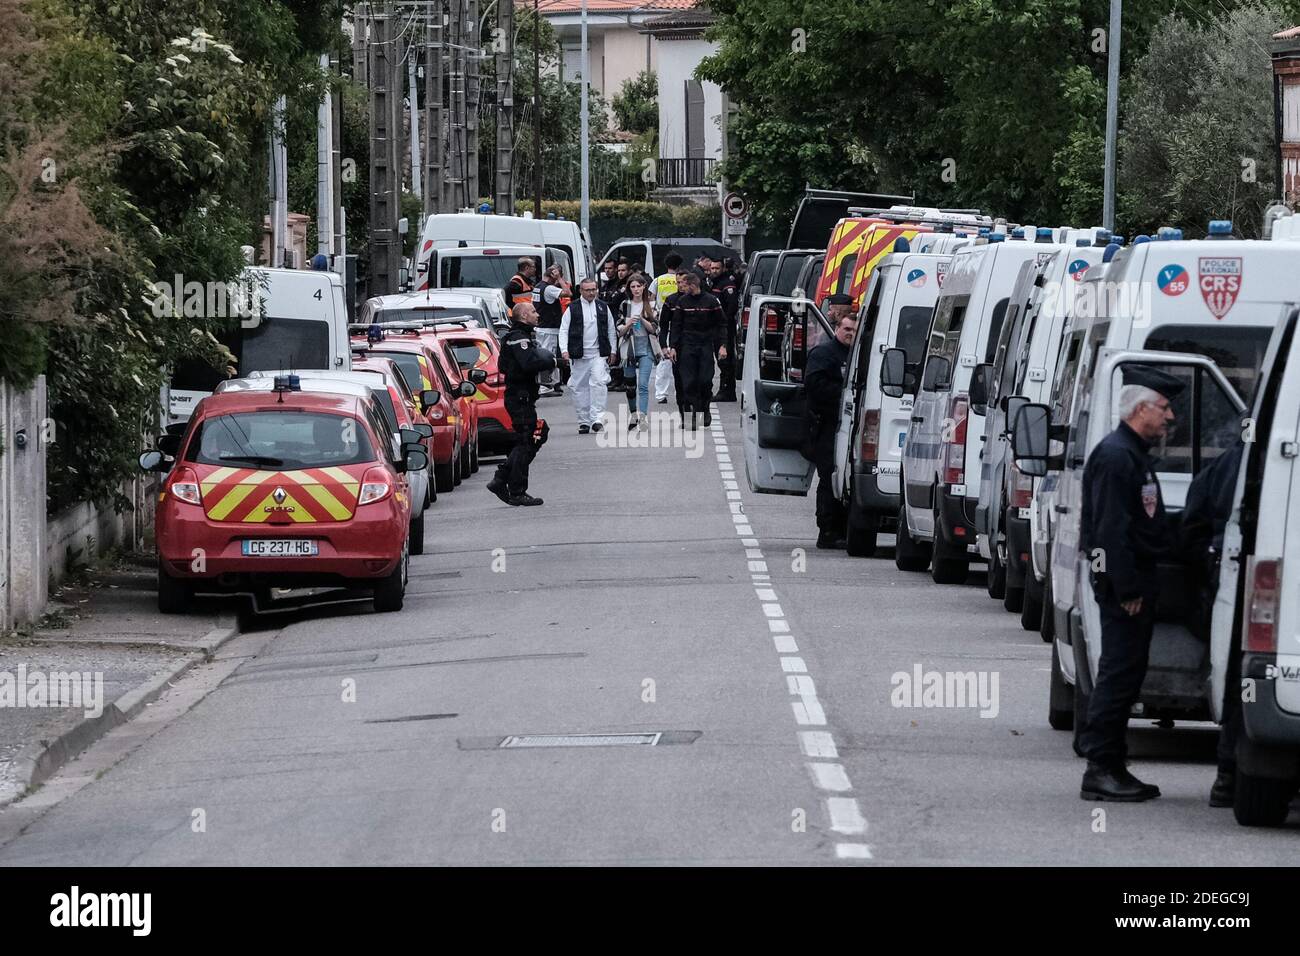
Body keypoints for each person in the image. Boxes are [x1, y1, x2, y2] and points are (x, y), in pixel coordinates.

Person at [1077, 365, 1184, 802]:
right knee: (1118, 675)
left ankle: (1112, 762)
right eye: (1164, 407)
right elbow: (1109, 532)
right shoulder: (1117, 456)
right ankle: (1100, 768)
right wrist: (1126, 590)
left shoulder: (1132, 454)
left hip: (1136, 582)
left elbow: (1143, 523)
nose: (1170, 416)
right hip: (1126, 588)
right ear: (1141, 408)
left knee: (1127, 673)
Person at [1182, 438, 1246, 807]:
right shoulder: (1248, 466)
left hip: (1228, 587)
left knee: (1239, 680)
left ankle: (1228, 777)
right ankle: (1228, 776)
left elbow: (1190, 533)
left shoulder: (1226, 465)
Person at [486, 301, 555, 507]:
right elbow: (529, 363)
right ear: (524, 316)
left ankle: (501, 478)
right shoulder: (518, 338)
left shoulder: (517, 337)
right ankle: (516, 490)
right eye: (533, 311)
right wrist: (551, 361)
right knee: (526, 441)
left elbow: (505, 364)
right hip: (520, 398)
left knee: (536, 435)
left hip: (521, 398)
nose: (537, 314)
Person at [803, 307, 857, 549]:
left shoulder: (859, 355)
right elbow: (814, 385)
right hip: (827, 425)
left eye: (855, 331)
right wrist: (845, 396)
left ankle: (843, 529)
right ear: (837, 329)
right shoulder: (824, 354)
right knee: (828, 478)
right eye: (847, 329)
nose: (850, 334)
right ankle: (827, 531)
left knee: (846, 478)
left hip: (850, 427)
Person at [665, 269, 725, 429]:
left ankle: (705, 408)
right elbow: (676, 326)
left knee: (705, 380)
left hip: (705, 344)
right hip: (687, 345)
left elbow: (721, 324)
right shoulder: (682, 302)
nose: (681, 287)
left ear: (693, 285)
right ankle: (696, 415)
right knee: (689, 382)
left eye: (684, 284)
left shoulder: (711, 301)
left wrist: (722, 346)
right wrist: (673, 347)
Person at [559, 278, 618, 434]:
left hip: (599, 354)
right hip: (578, 354)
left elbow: (611, 330)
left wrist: (613, 351)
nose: (591, 292)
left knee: (599, 383)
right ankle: (583, 421)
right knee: (579, 387)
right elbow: (563, 330)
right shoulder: (572, 308)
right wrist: (564, 350)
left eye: (594, 289)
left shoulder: (603, 307)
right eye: (588, 290)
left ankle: (597, 418)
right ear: (581, 291)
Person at [617, 274, 661, 430]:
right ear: (629, 288)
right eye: (633, 286)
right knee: (630, 386)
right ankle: (634, 414)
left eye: (639, 286)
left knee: (642, 384)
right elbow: (619, 331)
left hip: (646, 347)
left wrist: (643, 319)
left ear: (644, 287)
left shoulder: (652, 305)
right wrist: (629, 323)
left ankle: (642, 417)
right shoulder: (625, 304)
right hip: (629, 347)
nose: (636, 289)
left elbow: (655, 330)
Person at [531, 263, 569, 396]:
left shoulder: (537, 287)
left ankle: (553, 383)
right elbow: (567, 293)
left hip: (541, 328)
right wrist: (559, 279)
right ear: (553, 276)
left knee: (545, 355)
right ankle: (545, 386)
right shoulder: (548, 289)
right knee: (548, 357)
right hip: (549, 328)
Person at [652, 254, 683, 405]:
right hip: (681, 322)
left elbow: (651, 299)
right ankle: (681, 390)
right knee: (681, 359)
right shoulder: (683, 279)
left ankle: (660, 394)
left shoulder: (658, 280)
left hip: (663, 320)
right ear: (679, 266)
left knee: (664, 360)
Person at [707, 257, 740, 402]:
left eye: (717, 268)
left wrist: (724, 322)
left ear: (723, 269)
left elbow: (731, 306)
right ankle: (724, 389)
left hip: (725, 327)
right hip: (715, 327)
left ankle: (727, 390)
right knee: (721, 359)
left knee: (725, 359)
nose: (714, 271)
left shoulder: (727, 284)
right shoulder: (715, 283)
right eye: (712, 268)